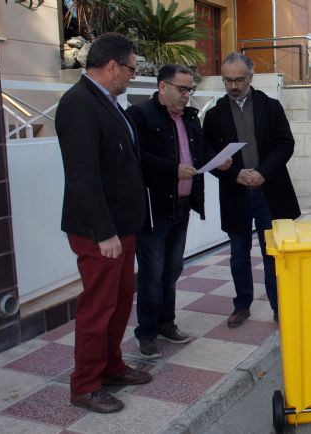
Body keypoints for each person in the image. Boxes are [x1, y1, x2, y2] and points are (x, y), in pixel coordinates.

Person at [55, 32, 151, 413]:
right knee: (98, 308)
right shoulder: (79, 103)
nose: (132, 75)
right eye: (131, 68)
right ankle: (86, 384)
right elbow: (82, 175)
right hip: (100, 231)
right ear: (112, 65)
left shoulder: (109, 102)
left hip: (122, 226)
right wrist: (104, 231)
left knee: (119, 301)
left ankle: (111, 367)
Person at [126, 64, 231, 359]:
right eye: (182, 89)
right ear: (162, 87)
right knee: (152, 273)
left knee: (172, 270)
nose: (187, 95)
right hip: (155, 209)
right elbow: (137, 158)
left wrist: (217, 160)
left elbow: (198, 154)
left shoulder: (190, 117)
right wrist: (172, 170)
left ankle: (166, 323)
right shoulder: (140, 116)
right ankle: (146, 332)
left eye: (190, 89)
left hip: (182, 207)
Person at [203, 52, 300, 328]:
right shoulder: (214, 114)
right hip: (236, 194)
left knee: (273, 253)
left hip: (269, 191)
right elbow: (206, 154)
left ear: (251, 77)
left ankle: (279, 306)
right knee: (238, 253)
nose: (233, 86)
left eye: (239, 80)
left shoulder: (271, 107)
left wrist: (262, 173)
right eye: (228, 81)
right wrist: (236, 174)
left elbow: (285, 144)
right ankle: (242, 305)